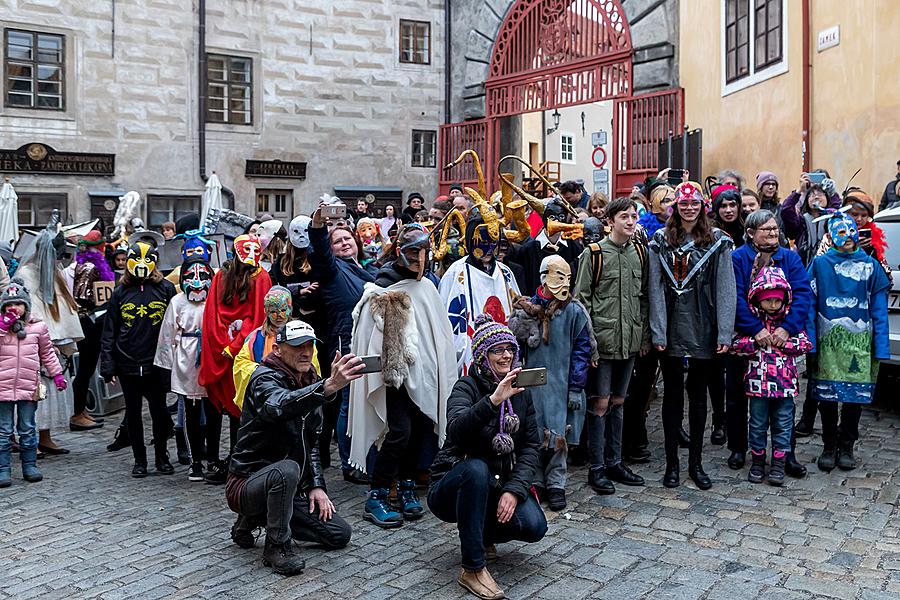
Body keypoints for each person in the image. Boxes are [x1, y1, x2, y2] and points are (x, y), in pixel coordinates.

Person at [226, 321, 364, 575]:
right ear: (277, 349)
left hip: (285, 487)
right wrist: (327, 387)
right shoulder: (263, 378)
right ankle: (276, 546)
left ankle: (260, 518)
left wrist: (316, 486)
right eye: (298, 346)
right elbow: (280, 405)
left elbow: (309, 442)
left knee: (338, 534)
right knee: (287, 470)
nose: (306, 352)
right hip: (247, 483)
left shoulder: (309, 379)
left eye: (310, 345)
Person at [428, 314, 547, 600]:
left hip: (498, 482)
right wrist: (493, 400)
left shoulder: (520, 391)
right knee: (477, 469)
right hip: (453, 484)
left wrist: (514, 491)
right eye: (497, 350)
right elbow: (456, 431)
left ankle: (483, 533)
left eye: (510, 348)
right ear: (483, 356)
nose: (506, 355)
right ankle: (472, 567)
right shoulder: (466, 387)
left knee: (534, 526)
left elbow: (531, 445)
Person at [350, 224, 458, 527]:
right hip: (394, 377)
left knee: (420, 428)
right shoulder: (382, 286)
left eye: (424, 252)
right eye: (413, 252)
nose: (419, 259)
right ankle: (378, 494)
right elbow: (370, 335)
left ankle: (408, 486)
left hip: (424, 373)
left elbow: (437, 332)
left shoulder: (427, 287)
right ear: (400, 252)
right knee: (399, 433)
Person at [648, 182, 736, 490]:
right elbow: (655, 289)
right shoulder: (660, 240)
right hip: (671, 326)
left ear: (702, 206)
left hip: (704, 325)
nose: (688, 208)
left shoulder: (719, 241)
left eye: (693, 203)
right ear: (675, 207)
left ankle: (695, 463)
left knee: (699, 398)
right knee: (672, 397)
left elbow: (727, 288)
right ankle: (672, 463)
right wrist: (658, 330)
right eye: (683, 204)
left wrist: (725, 330)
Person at [575, 197, 649, 496]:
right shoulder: (594, 254)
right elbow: (582, 301)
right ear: (611, 221)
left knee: (619, 401)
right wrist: (589, 344)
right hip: (602, 343)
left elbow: (642, 298)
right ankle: (597, 467)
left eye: (633, 217)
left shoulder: (640, 254)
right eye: (624, 217)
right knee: (600, 403)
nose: (630, 222)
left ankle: (615, 461)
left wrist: (641, 337)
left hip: (628, 341)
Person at [730, 210, 812, 476]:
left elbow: (802, 294)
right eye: (766, 230)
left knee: (783, 407)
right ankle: (741, 448)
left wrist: (788, 329)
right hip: (748, 338)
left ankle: (786, 455)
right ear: (751, 233)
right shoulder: (738, 257)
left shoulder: (789, 257)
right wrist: (755, 330)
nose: (773, 233)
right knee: (742, 400)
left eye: (775, 229)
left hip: (781, 343)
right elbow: (736, 297)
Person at [807, 213, 890, 472]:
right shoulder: (820, 264)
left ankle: (847, 444)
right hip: (827, 340)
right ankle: (829, 444)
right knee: (828, 396)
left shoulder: (870, 266)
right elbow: (809, 303)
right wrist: (810, 340)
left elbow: (879, 309)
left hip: (860, 342)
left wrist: (882, 344)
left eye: (849, 230)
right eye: (839, 232)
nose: (845, 236)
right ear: (830, 236)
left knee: (854, 397)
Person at [509, 255, 591, 510]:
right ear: (544, 277)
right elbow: (514, 349)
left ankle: (556, 482)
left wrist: (576, 386)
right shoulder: (525, 310)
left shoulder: (573, 311)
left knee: (557, 431)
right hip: (531, 383)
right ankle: (535, 479)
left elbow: (582, 349)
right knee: (532, 431)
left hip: (560, 381)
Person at [308, 204, 378, 484]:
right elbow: (320, 252)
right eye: (337, 241)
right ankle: (350, 463)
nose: (344, 242)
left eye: (348, 238)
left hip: (371, 342)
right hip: (346, 342)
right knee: (349, 404)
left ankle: (366, 455)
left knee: (367, 402)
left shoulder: (367, 269)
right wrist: (318, 224)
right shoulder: (331, 269)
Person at [199, 234, 273, 483]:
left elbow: (259, 315)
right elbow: (213, 312)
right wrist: (227, 345)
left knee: (239, 409)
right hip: (231, 349)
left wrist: (232, 345)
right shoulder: (223, 276)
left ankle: (237, 463)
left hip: (243, 351)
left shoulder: (260, 277)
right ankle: (228, 463)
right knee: (232, 409)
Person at [100, 241, 177, 477]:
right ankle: (139, 459)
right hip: (128, 362)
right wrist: (108, 364)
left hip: (156, 362)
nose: (141, 265)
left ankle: (162, 456)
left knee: (159, 412)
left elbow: (175, 325)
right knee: (132, 414)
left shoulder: (165, 288)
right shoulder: (120, 292)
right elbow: (109, 330)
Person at [0, 279, 67, 487]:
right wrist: (4, 327)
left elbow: (47, 353)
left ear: (26, 306)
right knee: (3, 431)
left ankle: (30, 465)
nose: (14, 308)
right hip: (2, 388)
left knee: (27, 428)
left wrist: (57, 375)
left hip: (28, 387)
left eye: (18, 304)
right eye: (9, 305)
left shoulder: (38, 328)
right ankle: (3, 469)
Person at [439, 211, 521, 374]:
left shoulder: (505, 273)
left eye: (493, 242)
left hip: (505, 355)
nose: (489, 249)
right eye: (482, 242)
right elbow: (447, 322)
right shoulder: (456, 274)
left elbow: (516, 310)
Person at [155, 255, 213, 481]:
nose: (197, 282)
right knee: (189, 412)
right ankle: (194, 459)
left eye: (203, 276)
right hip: (186, 360)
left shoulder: (214, 300)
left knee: (212, 413)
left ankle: (211, 455)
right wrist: (166, 367)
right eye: (191, 276)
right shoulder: (177, 302)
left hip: (209, 358)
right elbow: (167, 334)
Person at [70, 231, 114, 432]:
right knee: (85, 369)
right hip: (89, 322)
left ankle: (82, 411)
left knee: (88, 369)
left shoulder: (96, 264)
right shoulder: (88, 266)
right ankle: (78, 414)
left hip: (94, 320)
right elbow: (81, 296)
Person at [506, 197, 582, 296]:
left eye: (561, 216)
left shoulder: (574, 247)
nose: (557, 221)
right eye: (552, 217)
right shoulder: (528, 250)